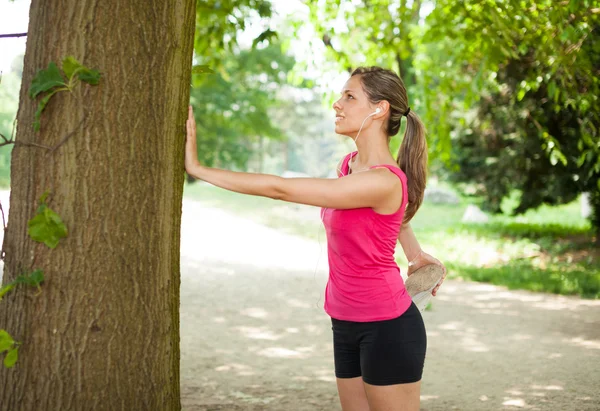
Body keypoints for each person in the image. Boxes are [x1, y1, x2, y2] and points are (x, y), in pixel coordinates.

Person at [185, 66, 447, 411]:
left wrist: (199, 169)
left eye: (349, 96)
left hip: (387, 326)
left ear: (379, 109)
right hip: (345, 322)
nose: (337, 104)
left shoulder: (384, 180)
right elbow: (389, 220)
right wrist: (415, 255)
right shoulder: (351, 165)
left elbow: (280, 189)